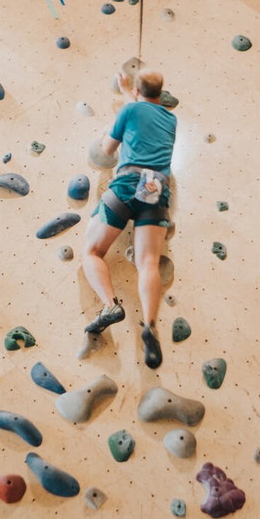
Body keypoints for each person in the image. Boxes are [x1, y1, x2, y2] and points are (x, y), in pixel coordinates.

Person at [81, 67, 176, 369]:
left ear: (137, 91)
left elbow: (108, 148)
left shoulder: (129, 109)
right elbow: (145, 110)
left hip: (126, 184)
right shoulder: (170, 119)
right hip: (154, 186)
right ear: (160, 93)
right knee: (148, 262)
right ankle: (151, 326)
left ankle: (110, 305)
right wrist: (128, 94)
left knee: (92, 251)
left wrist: (123, 106)